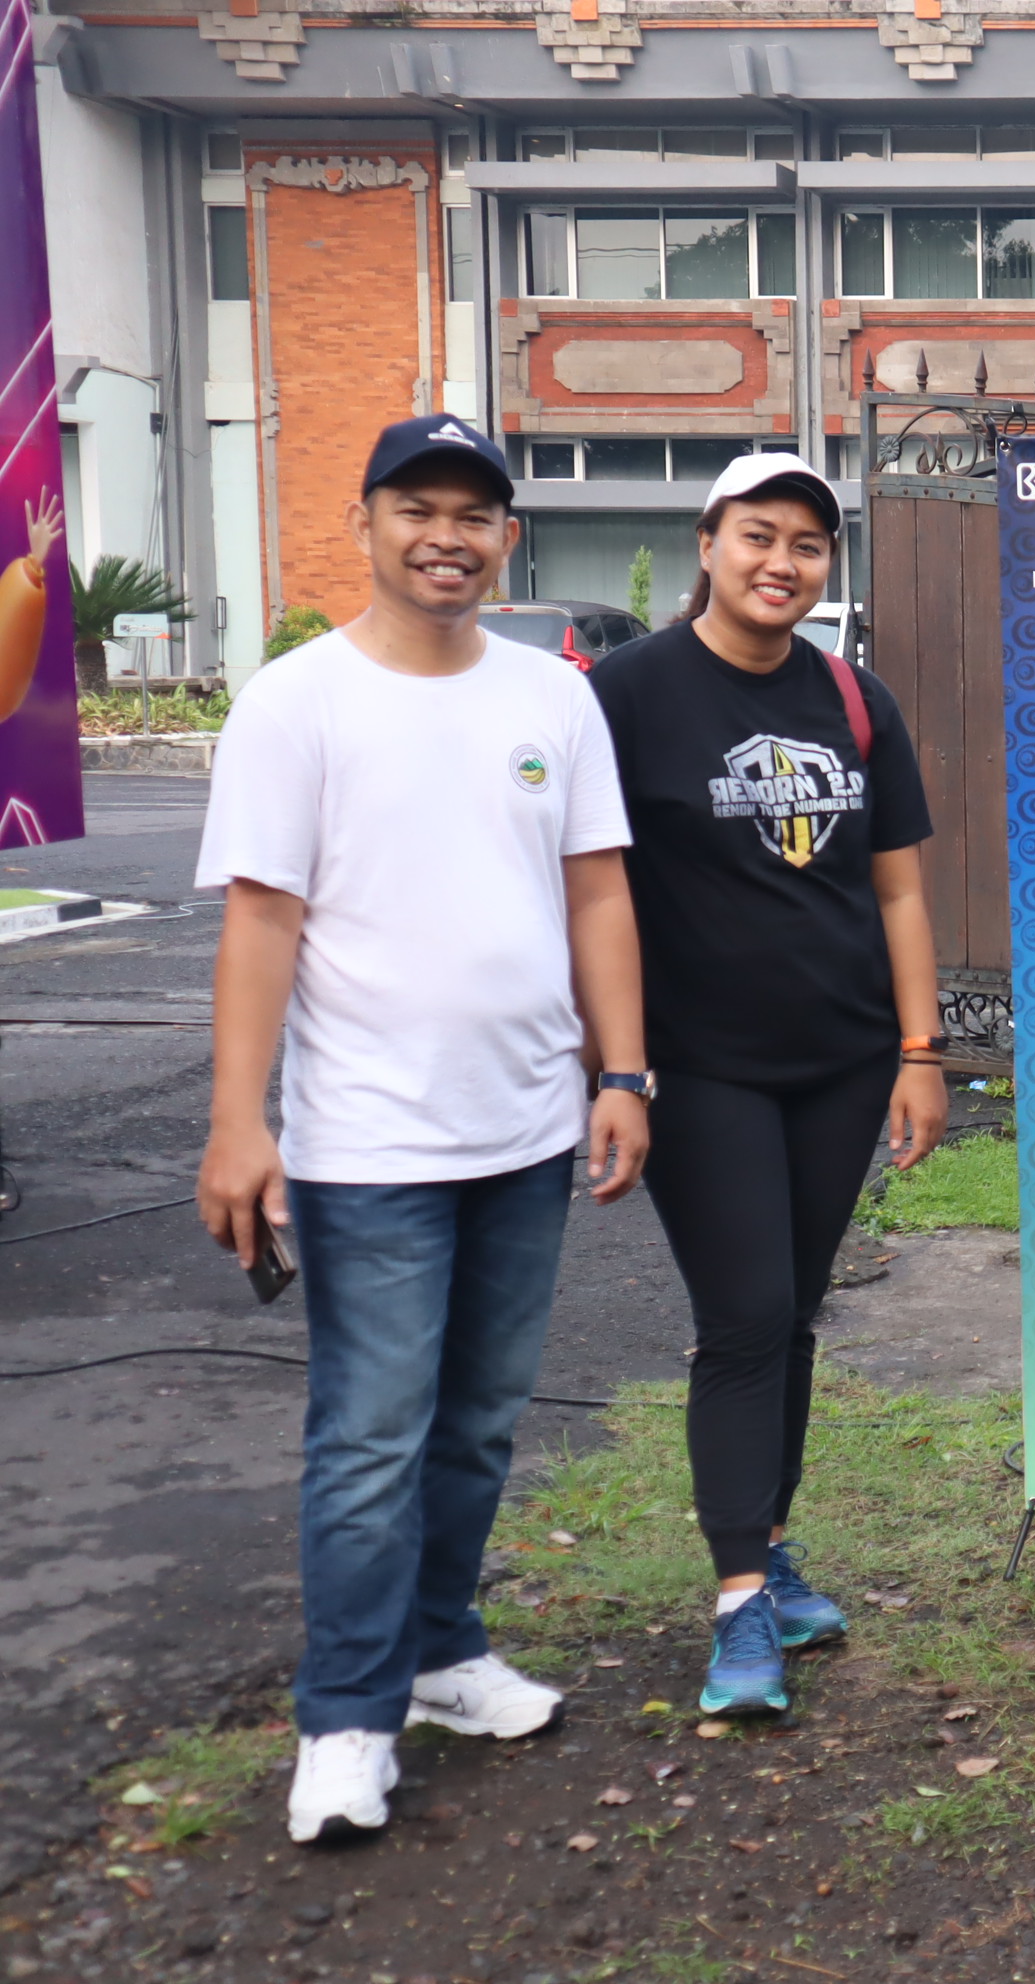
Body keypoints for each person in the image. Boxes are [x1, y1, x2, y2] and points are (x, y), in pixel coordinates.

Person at [195, 415, 651, 1845]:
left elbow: (596, 895)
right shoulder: (295, 702)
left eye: (475, 512)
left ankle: (446, 1654)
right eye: (419, 508)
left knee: (477, 1428)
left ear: (508, 534)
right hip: (366, 1147)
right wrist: (235, 1123)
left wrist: (624, 1075)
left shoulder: (554, 699)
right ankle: (343, 1716)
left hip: (523, 1133)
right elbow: (262, 920)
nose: (447, 534)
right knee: (370, 1439)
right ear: (367, 521)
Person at [588, 453, 945, 1717]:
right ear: (706, 542)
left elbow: (898, 884)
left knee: (789, 1315)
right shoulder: (627, 695)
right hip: (702, 1068)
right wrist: (617, 1068)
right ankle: (743, 1600)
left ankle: (768, 1546)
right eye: (758, 535)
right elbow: (595, 894)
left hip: (841, 1063)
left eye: (806, 542)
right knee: (742, 1317)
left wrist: (918, 1052)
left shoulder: (854, 697)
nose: (781, 561)